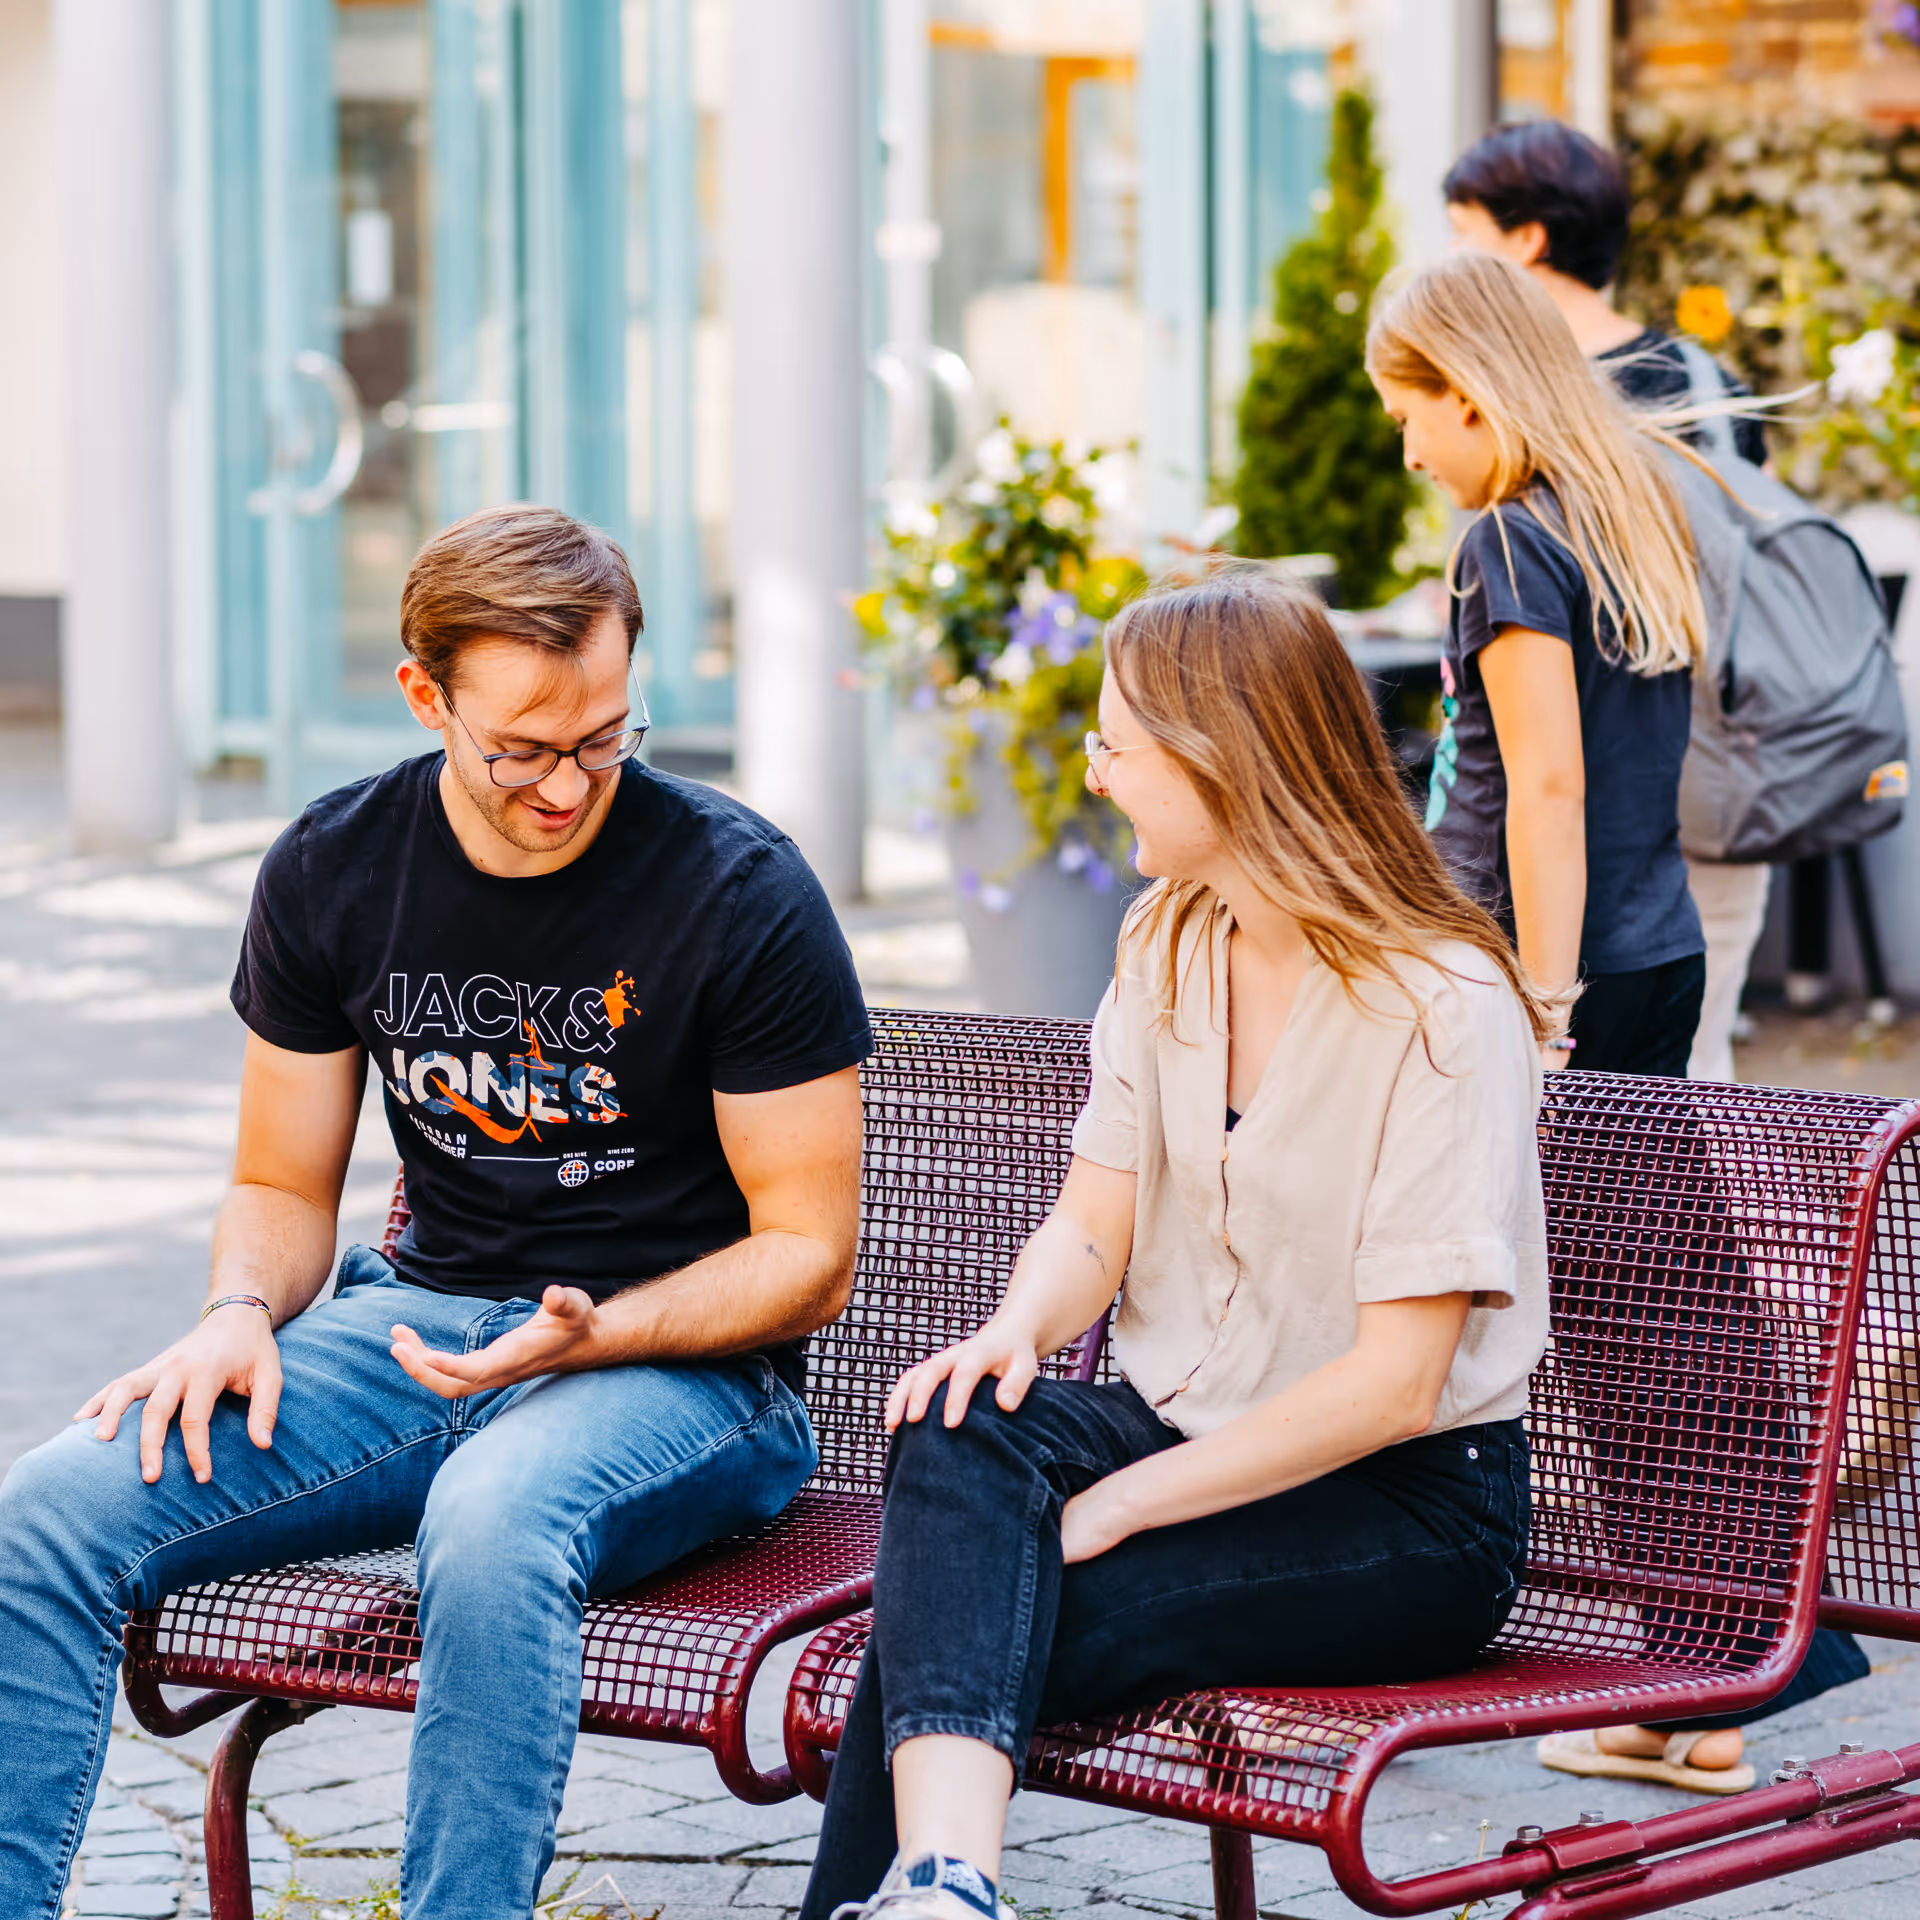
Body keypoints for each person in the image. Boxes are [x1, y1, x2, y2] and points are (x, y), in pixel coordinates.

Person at [0, 505, 873, 1917]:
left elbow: (808, 1256)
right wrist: (236, 1311)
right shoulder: (336, 865)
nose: (568, 785)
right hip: (417, 1333)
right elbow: (279, 1184)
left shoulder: (739, 889)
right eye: (523, 748)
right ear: (424, 695)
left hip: (687, 1375)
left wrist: (596, 1336)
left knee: (492, 1517)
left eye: (605, 737)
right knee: (46, 1512)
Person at [798, 566, 1553, 1920]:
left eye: (1116, 746)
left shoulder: (1443, 1002)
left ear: (1223, 757)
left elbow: (1397, 1387)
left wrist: (1119, 1506)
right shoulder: (1167, 938)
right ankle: (948, 1885)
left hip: (1407, 1507)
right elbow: (1097, 1221)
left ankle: (935, 1887)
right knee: (959, 1426)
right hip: (1187, 1425)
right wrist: (1014, 1332)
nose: (1095, 776)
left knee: (969, 1619)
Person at [1368, 251, 1868, 1793]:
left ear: (1473, 393)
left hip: (1559, 972)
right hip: (1653, 949)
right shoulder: (1623, 506)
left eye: (1411, 413)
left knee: (1629, 1331)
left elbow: (1546, 789)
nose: (1408, 449)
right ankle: (1753, 1657)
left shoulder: (1510, 541)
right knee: (1675, 1310)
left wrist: (1541, 1007)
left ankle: (1710, 1681)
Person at [1441, 117, 1769, 1082]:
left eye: (1463, 234)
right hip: (1720, 765)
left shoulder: (1512, 404)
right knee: (1691, 1069)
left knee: (1565, 1116)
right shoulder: (1705, 381)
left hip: (1588, 826)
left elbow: (1546, 772)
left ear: (1525, 239)